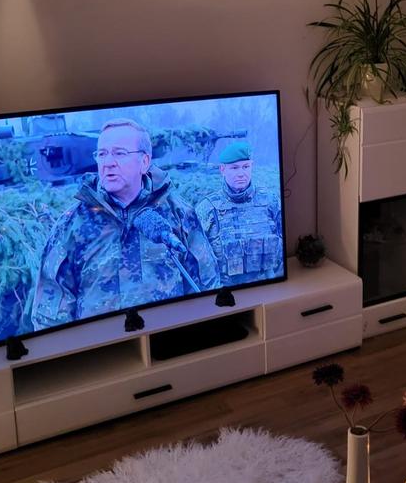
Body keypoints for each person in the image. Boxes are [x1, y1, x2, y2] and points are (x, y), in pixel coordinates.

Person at [32, 118, 219, 328]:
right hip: (103, 345)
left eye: (119, 153)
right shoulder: (72, 224)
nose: (108, 162)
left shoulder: (178, 214)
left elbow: (206, 286)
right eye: (102, 154)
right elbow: (50, 312)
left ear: (144, 162)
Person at [195, 141, 284, 286]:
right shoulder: (207, 209)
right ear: (222, 169)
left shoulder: (270, 201)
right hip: (227, 292)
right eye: (234, 168)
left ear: (252, 166)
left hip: (269, 287)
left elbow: (284, 249)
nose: (241, 173)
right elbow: (199, 262)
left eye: (246, 167)